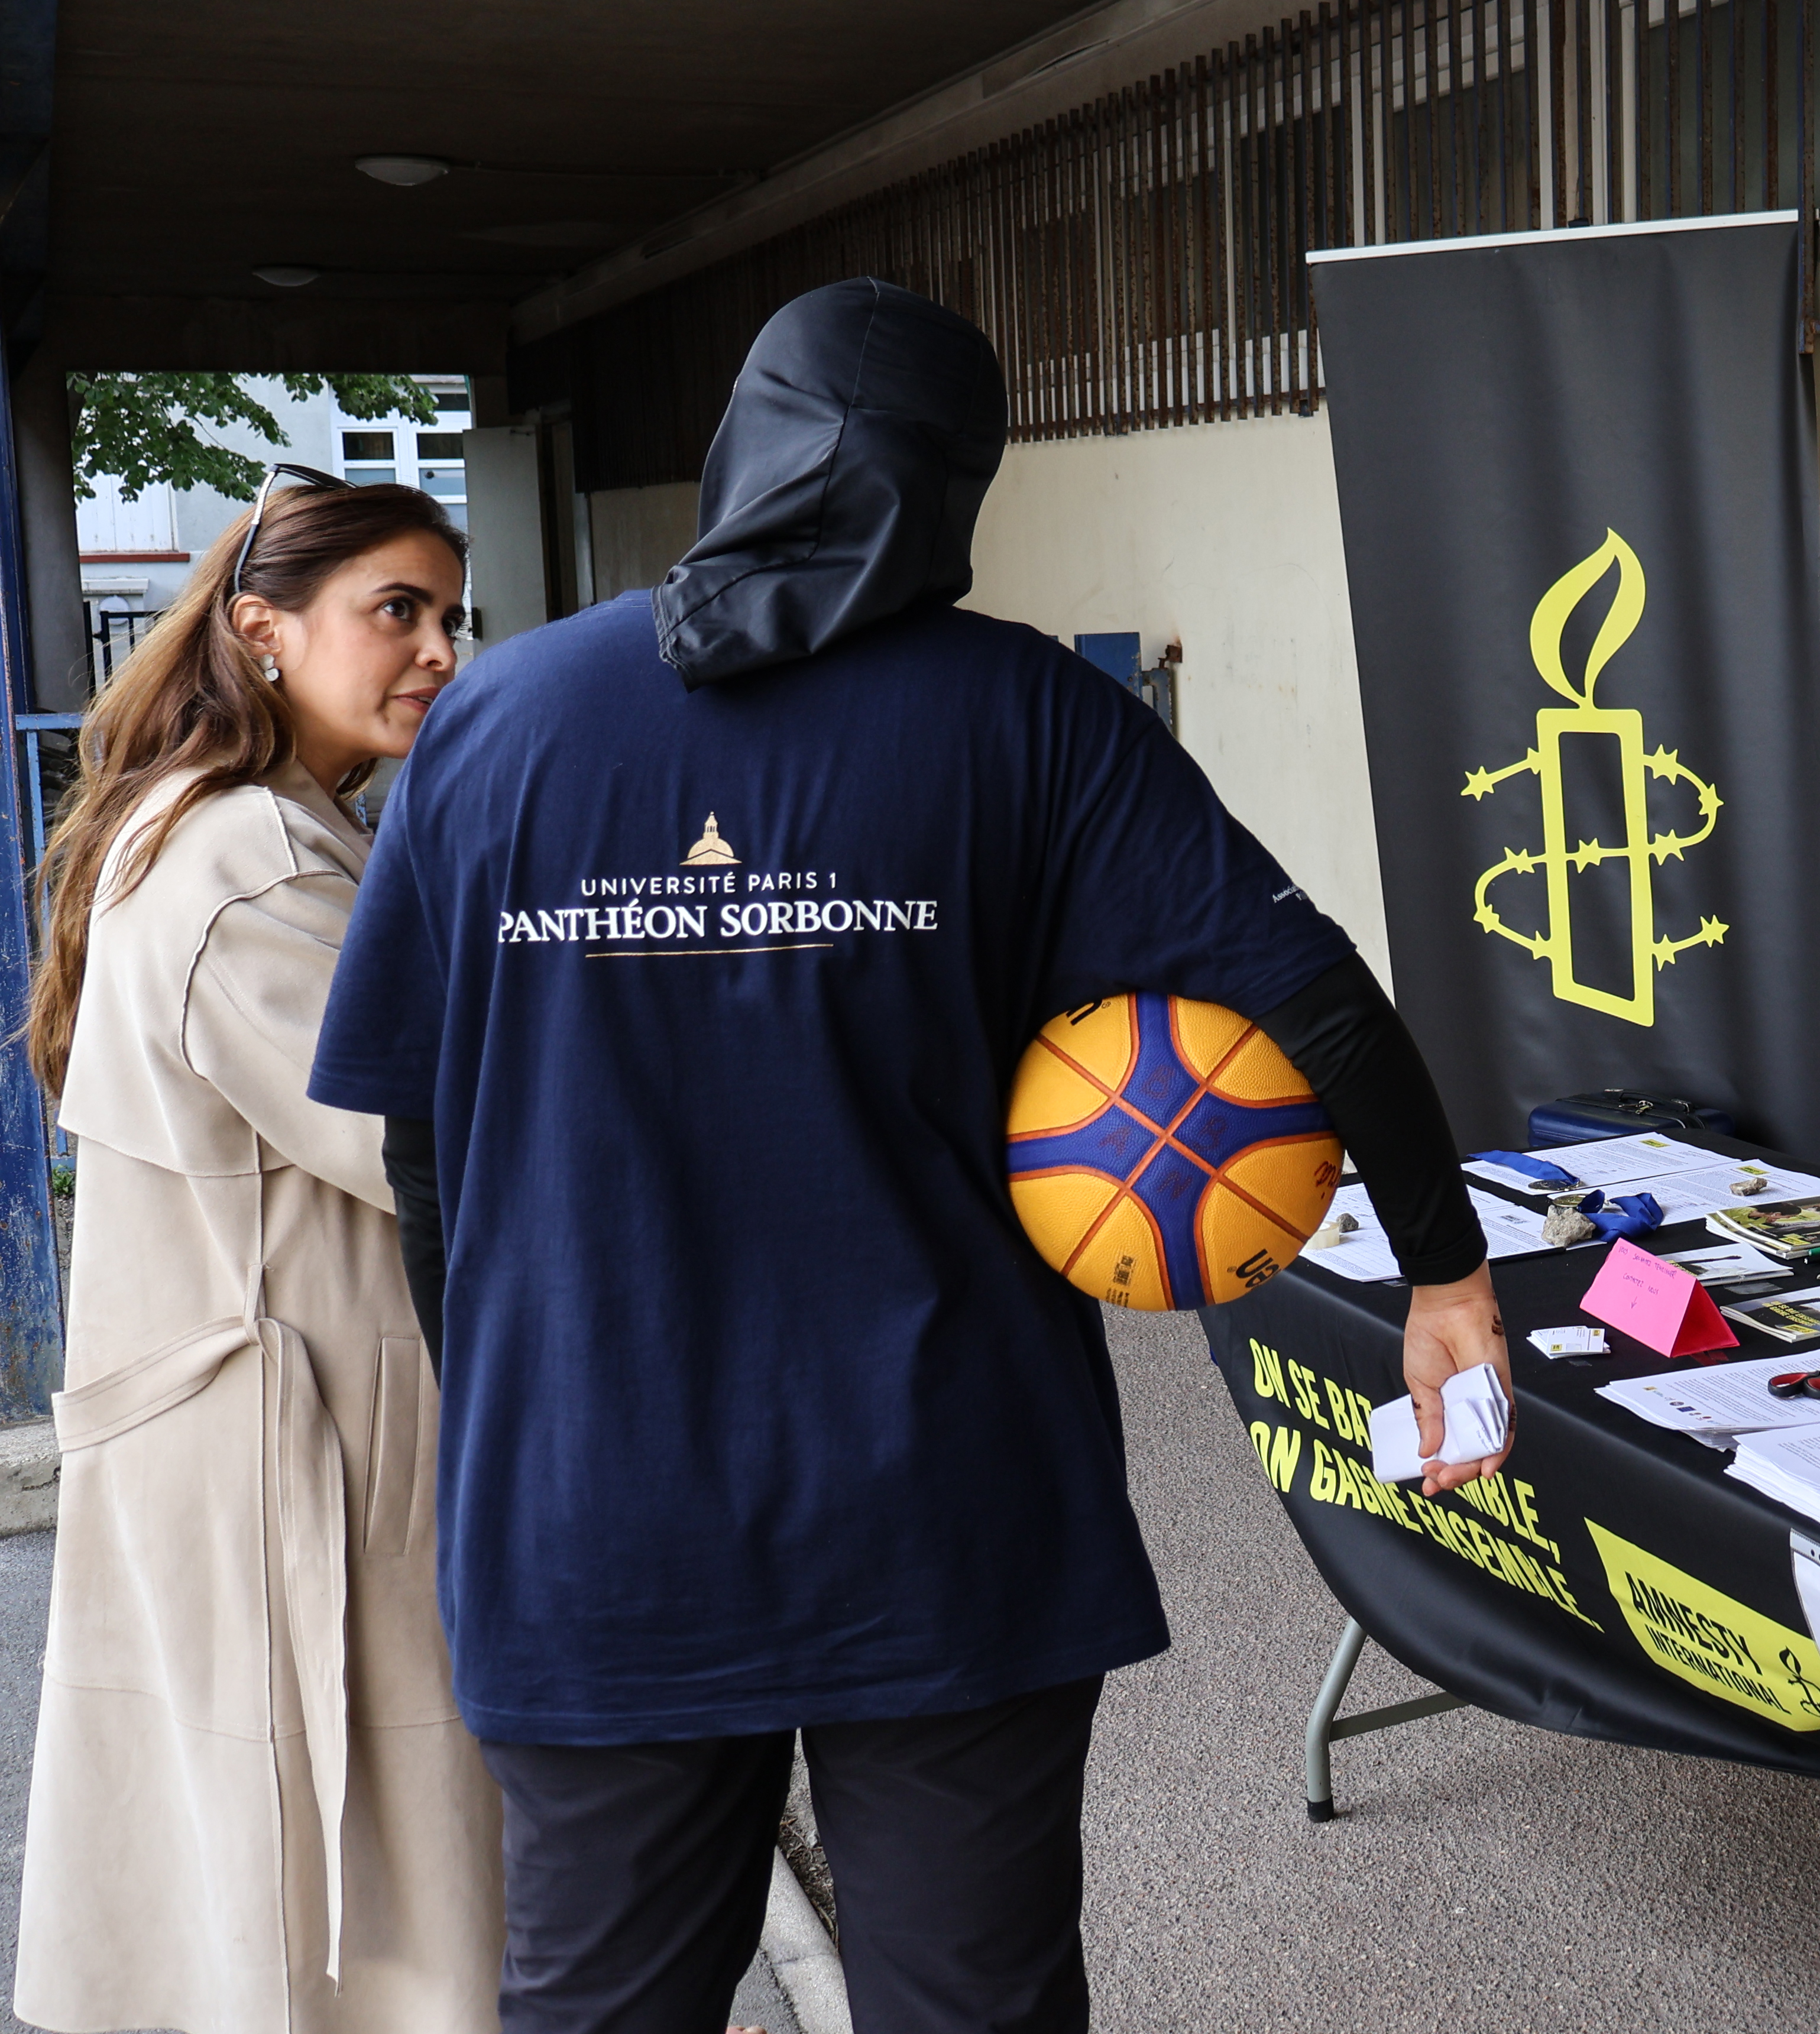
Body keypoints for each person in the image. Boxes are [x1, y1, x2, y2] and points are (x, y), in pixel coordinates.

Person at [303, 280, 1511, 2034]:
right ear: (962, 487)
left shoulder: (497, 722)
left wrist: (506, 1386)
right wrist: (1444, 1269)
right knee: (972, 2006)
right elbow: (1311, 996)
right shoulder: (1030, 716)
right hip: (947, 1513)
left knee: (596, 2009)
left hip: (591, 1514)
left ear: (743, 443)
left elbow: (420, 1140)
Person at [15, 471, 500, 2034]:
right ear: (262, 631)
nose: (437, 649)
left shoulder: (241, 827)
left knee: (256, 1858)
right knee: (352, 1858)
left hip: (246, 1416)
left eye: (448, 614)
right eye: (395, 613)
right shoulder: (257, 866)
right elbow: (423, 1135)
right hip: (292, 1438)